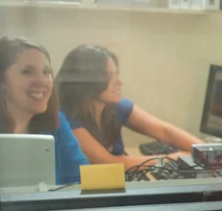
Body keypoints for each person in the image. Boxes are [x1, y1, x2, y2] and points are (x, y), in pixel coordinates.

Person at [56, 44, 203, 169]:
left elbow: (164, 132)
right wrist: (174, 159)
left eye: (116, 75)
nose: (120, 82)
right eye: (109, 77)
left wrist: (210, 151)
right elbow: (108, 163)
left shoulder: (115, 106)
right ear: (86, 82)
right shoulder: (66, 118)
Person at [0, 36, 89, 185]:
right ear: (1, 80)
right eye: (27, 72)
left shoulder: (57, 123)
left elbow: (82, 179)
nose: (42, 81)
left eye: (46, 72)